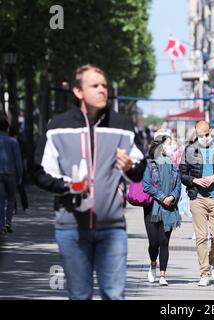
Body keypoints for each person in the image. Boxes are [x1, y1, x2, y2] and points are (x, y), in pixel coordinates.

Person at [34, 64, 146, 300]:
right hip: (71, 228)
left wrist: (130, 166)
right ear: (78, 91)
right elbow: (41, 172)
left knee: (114, 295)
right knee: (79, 295)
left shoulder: (122, 125)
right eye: (94, 86)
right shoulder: (57, 127)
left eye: (104, 85)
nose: (102, 90)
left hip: (112, 227)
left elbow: (140, 168)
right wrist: (68, 186)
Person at [180, 120, 214, 286]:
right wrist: (195, 180)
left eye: (206, 134)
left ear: (210, 131)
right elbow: (182, 175)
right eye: (200, 135)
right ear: (196, 134)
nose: (204, 137)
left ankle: (212, 262)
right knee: (201, 237)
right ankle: (204, 273)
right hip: (197, 198)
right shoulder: (190, 150)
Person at [142, 130, 181, 286]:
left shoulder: (173, 164)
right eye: (168, 143)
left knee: (164, 241)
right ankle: (153, 264)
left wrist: (172, 197)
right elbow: (146, 185)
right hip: (152, 208)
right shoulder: (149, 163)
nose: (171, 146)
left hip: (169, 207)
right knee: (154, 243)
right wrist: (162, 197)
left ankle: (163, 275)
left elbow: (178, 185)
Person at [0, 112, 23, 234]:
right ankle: (8, 222)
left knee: (0, 200)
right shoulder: (13, 141)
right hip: (11, 174)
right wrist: (20, 175)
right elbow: (18, 160)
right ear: (7, 127)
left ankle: (1, 224)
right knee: (10, 199)